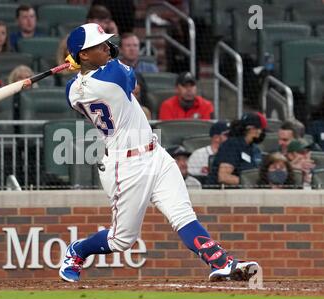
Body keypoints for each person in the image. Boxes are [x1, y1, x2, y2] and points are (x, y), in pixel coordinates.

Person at [59, 23, 259, 283]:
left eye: (106, 43)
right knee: (121, 240)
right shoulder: (114, 76)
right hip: (125, 167)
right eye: (99, 45)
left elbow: (78, 87)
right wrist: (89, 64)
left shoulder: (73, 91)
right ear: (83, 55)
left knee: (183, 214)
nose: (108, 47)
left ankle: (221, 262)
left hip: (156, 154)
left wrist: (80, 67)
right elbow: (128, 78)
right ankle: (77, 251)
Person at [207, 112, 267, 188]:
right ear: (251, 129)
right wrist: (249, 182)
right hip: (224, 194)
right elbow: (223, 177)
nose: (261, 132)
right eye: (260, 129)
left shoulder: (253, 148)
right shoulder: (231, 145)